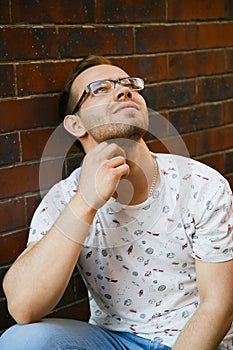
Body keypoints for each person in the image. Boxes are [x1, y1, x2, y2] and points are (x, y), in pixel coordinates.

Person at [1, 55, 233, 350]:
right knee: (23, 342)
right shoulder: (63, 198)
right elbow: (23, 306)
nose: (124, 91)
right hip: (113, 340)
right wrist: (85, 202)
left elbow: (219, 306)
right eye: (100, 88)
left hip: (191, 340)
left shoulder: (201, 185)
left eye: (129, 84)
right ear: (75, 124)